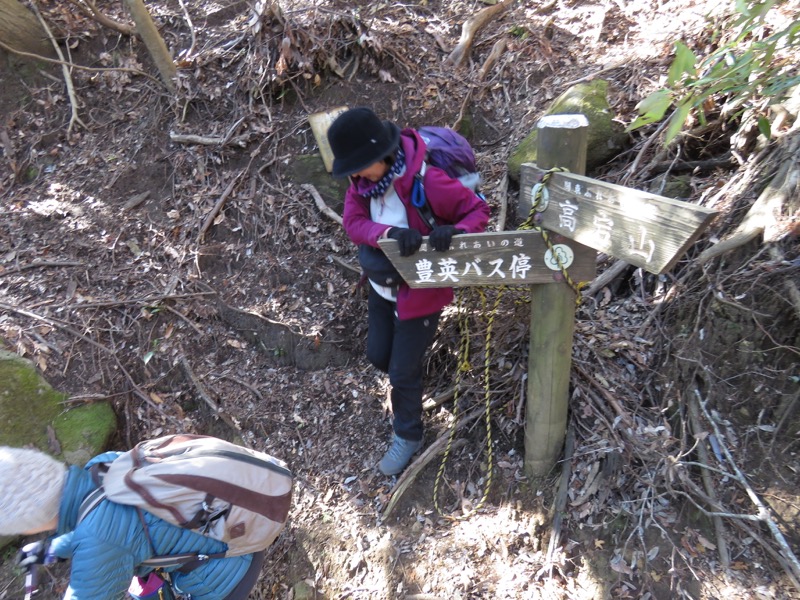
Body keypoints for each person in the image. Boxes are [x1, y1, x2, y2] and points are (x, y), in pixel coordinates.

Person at [327, 107, 490, 476]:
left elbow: (478, 211)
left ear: (381, 156)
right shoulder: (364, 185)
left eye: (359, 165)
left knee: (400, 371)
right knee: (377, 356)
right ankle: (410, 384)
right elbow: (353, 223)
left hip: (421, 292)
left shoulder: (428, 180)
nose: (353, 174)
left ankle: (408, 434)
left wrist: (456, 233)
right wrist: (386, 234)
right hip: (382, 284)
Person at [0, 445, 267, 600]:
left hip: (223, 579)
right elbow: (109, 528)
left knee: (140, 585)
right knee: (139, 580)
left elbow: (104, 538)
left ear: (29, 523)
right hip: (237, 527)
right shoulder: (102, 466)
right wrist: (50, 550)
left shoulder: (99, 543)